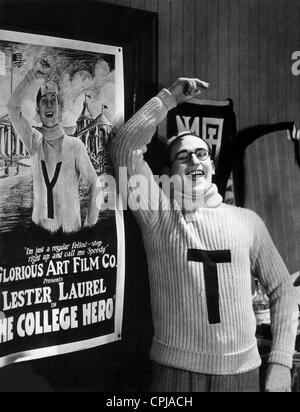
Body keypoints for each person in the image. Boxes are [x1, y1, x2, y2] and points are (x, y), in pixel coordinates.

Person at [111, 77, 299, 392]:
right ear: (170, 172)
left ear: (211, 164)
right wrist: (169, 98)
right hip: (175, 374)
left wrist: (280, 363)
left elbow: (284, 288)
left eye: (201, 153)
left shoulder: (247, 221)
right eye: (183, 157)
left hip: (242, 375)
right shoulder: (158, 215)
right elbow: (124, 149)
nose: (194, 160)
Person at [7, 57, 99, 233]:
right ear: (38, 110)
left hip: (70, 235)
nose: (49, 104)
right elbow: (13, 107)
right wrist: (33, 73)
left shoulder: (75, 146)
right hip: (38, 234)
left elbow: (95, 184)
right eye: (43, 100)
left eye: (53, 100)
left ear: (60, 107)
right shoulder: (34, 140)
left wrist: (89, 225)